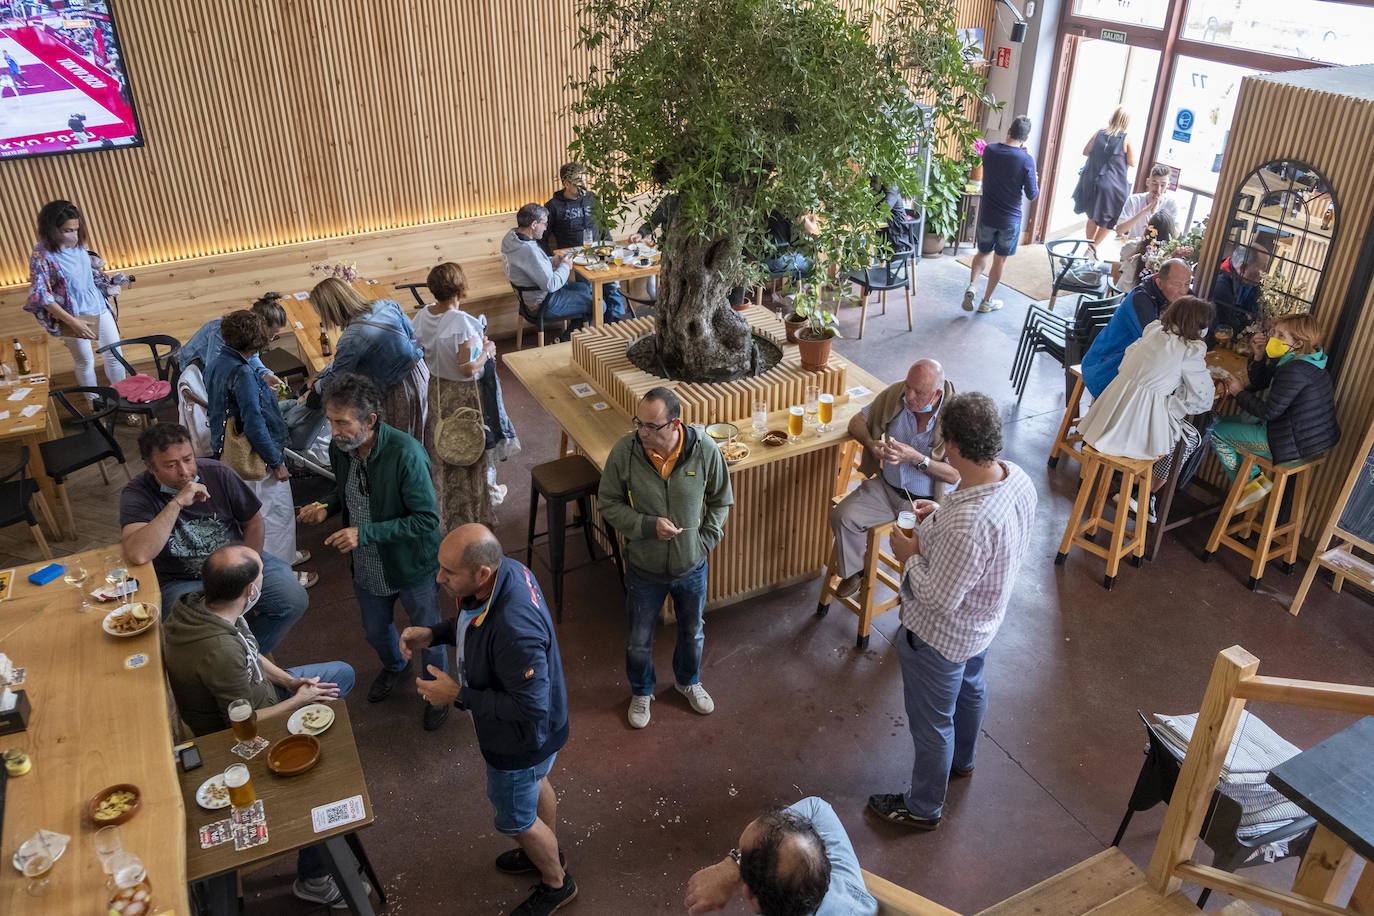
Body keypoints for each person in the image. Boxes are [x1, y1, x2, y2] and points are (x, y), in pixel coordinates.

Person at [867, 393, 1036, 830]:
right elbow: (982, 550)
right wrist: (939, 516)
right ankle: (964, 761)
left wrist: (908, 555)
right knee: (972, 690)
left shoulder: (969, 523)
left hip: (939, 639)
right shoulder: (1016, 479)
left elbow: (938, 599)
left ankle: (923, 808)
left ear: (955, 447)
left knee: (931, 724)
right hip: (983, 625)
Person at [162, 544, 362, 908]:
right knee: (326, 786)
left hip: (270, 695)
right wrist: (298, 702)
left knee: (341, 675)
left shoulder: (203, 606)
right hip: (242, 738)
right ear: (250, 591)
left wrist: (289, 681)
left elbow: (250, 651)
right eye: (261, 573)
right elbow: (244, 724)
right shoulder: (218, 653)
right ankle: (314, 878)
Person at [399, 524, 574, 916]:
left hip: (521, 741)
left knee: (516, 820)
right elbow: (471, 624)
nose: (438, 578)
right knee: (538, 781)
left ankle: (555, 882)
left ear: (481, 573)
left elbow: (530, 706)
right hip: (540, 742)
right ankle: (545, 850)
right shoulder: (505, 573)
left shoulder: (514, 627)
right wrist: (434, 633)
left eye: (448, 572)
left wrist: (457, 695)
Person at [296, 373, 451, 732]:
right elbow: (346, 491)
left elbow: (426, 520)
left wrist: (364, 533)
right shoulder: (342, 449)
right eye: (330, 422)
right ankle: (397, 666)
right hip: (367, 563)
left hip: (410, 563)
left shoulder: (406, 454)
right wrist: (326, 505)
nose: (333, 432)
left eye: (341, 423)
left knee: (428, 633)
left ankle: (436, 691)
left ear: (370, 421)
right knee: (375, 630)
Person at [598, 388, 734, 730]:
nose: (642, 432)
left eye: (651, 426)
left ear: (675, 423)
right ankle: (642, 690)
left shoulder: (704, 450)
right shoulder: (625, 453)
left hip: (692, 566)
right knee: (639, 640)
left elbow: (721, 499)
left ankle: (687, 681)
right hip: (644, 569)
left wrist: (704, 541)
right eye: (638, 423)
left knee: (692, 632)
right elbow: (609, 503)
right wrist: (645, 526)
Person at [119, 423, 306, 652]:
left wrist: (252, 564)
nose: (184, 471)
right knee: (193, 631)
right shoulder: (137, 493)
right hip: (182, 581)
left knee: (292, 599)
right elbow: (138, 553)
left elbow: (254, 522)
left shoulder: (218, 473)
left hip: (235, 563)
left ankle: (244, 655)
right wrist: (176, 503)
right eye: (171, 465)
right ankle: (228, 657)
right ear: (150, 467)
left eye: (188, 459)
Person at [829, 359, 960, 599]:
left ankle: (914, 606)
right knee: (843, 516)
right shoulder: (896, 395)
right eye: (908, 386)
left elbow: (956, 474)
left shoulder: (956, 416)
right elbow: (856, 421)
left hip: (925, 503)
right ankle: (855, 572)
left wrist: (916, 458)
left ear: (937, 394)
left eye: (918, 392)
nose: (908, 396)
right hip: (886, 488)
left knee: (926, 552)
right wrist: (871, 444)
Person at [1077, 297, 1216, 522]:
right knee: (1189, 439)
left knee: (1170, 432)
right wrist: (1174, 401)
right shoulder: (1190, 350)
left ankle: (1133, 490)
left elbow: (1126, 362)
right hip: (1137, 429)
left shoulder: (1153, 330)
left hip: (1107, 415)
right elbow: (1203, 399)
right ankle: (1144, 494)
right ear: (1198, 326)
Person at [409, 262, 520, 524]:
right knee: (471, 445)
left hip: (437, 388)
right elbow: (468, 368)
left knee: (444, 443)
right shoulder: (461, 322)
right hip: (464, 393)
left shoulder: (423, 316)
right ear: (460, 287)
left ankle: (446, 505)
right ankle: (478, 505)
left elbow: (420, 346)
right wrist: (487, 352)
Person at [203, 310, 311, 577]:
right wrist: (276, 462)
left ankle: (283, 560)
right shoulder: (242, 373)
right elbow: (254, 422)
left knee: (261, 512)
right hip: (253, 455)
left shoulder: (219, 361)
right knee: (274, 514)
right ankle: (282, 573)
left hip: (227, 447)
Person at [1213, 313, 1339, 509]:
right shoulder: (1307, 361)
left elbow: (1268, 412)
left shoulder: (1295, 370)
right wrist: (1258, 356)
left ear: (1297, 343)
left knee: (1217, 432)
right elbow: (1262, 382)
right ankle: (1253, 482)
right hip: (1309, 440)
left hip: (1293, 444)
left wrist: (1237, 392)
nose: (1274, 339)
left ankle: (1251, 484)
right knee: (1224, 424)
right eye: (1275, 333)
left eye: (1281, 336)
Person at [684, 797, 878, 916]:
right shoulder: (849, 889)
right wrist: (732, 866)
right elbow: (816, 807)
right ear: (825, 861)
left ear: (749, 894)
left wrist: (733, 866)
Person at [23, 199, 129, 388]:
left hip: (99, 307)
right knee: (85, 362)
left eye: (76, 229)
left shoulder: (80, 245)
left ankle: (125, 403)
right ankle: (95, 410)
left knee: (115, 355)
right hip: (72, 314)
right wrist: (72, 322)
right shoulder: (42, 255)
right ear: (51, 229)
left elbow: (88, 276)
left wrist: (110, 283)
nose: (73, 236)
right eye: (67, 231)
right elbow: (42, 295)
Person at [310, 277, 429, 442]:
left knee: (402, 442)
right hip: (419, 373)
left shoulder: (351, 337)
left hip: (398, 390)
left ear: (330, 309)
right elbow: (413, 336)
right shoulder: (386, 305)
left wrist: (316, 387)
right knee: (423, 430)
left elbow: (337, 378)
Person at [502, 203, 626, 330]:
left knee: (585, 289)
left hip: (530, 298)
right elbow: (551, 284)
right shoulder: (528, 249)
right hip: (543, 302)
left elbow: (533, 264)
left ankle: (574, 333)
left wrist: (553, 261)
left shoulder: (513, 239)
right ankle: (567, 339)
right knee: (599, 305)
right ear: (534, 225)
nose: (545, 228)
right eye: (544, 224)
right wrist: (565, 266)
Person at [1081, 258, 1192, 397]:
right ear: (1159, 281)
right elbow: (1156, 345)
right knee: (1155, 400)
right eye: (1177, 284)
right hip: (1105, 368)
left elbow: (1199, 321)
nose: (1183, 291)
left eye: (1187, 284)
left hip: (1137, 368)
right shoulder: (1141, 299)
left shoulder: (1177, 295)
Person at [963, 116, 1039, 314]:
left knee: (982, 253)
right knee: (999, 260)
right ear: (1026, 137)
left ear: (1009, 130)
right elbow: (1033, 194)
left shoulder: (990, 150)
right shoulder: (1026, 160)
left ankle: (972, 285)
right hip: (1010, 220)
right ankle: (986, 301)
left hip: (988, 215)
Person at [178, 292, 288, 384]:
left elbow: (252, 357)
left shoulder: (250, 330)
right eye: (271, 334)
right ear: (260, 324)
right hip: (191, 369)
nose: (271, 339)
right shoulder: (222, 331)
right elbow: (214, 372)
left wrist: (265, 374)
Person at [1072, 106, 1135, 244]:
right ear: (1126, 121)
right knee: (1111, 219)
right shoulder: (1125, 138)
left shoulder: (1099, 133)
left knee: (1092, 217)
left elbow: (1085, 151)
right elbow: (1132, 162)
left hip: (1092, 182)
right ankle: (1093, 248)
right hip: (1113, 185)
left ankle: (1089, 244)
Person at [1210, 239, 1273, 332]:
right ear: (1243, 268)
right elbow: (1231, 326)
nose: (1264, 274)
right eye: (1262, 268)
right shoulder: (1220, 284)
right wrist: (1247, 318)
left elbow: (1257, 313)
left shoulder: (1250, 280)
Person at [541, 162, 602, 252]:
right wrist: (549, 259)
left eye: (585, 179)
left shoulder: (592, 198)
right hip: (570, 258)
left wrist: (610, 251)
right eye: (579, 181)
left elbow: (604, 227)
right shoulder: (553, 206)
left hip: (597, 253)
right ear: (566, 184)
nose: (584, 185)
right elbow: (541, 237)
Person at [1114, 164, 1179, 240]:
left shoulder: (1171, 204)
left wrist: (1158, 217)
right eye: (1154, 183)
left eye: (1162, 185)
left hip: (1158, 248)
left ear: (1168, 185)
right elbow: (1119, 230)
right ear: (1148, 182)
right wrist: (1145, 211)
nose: (1158, 189)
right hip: (1134, 245)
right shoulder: (1134, 199)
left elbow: (1176, 235)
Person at [1116, 211, 1176, 293]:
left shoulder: (1131, 247)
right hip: (1143, 301)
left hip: (1121, 298)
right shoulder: (1171, 257)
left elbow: (1122, 258)